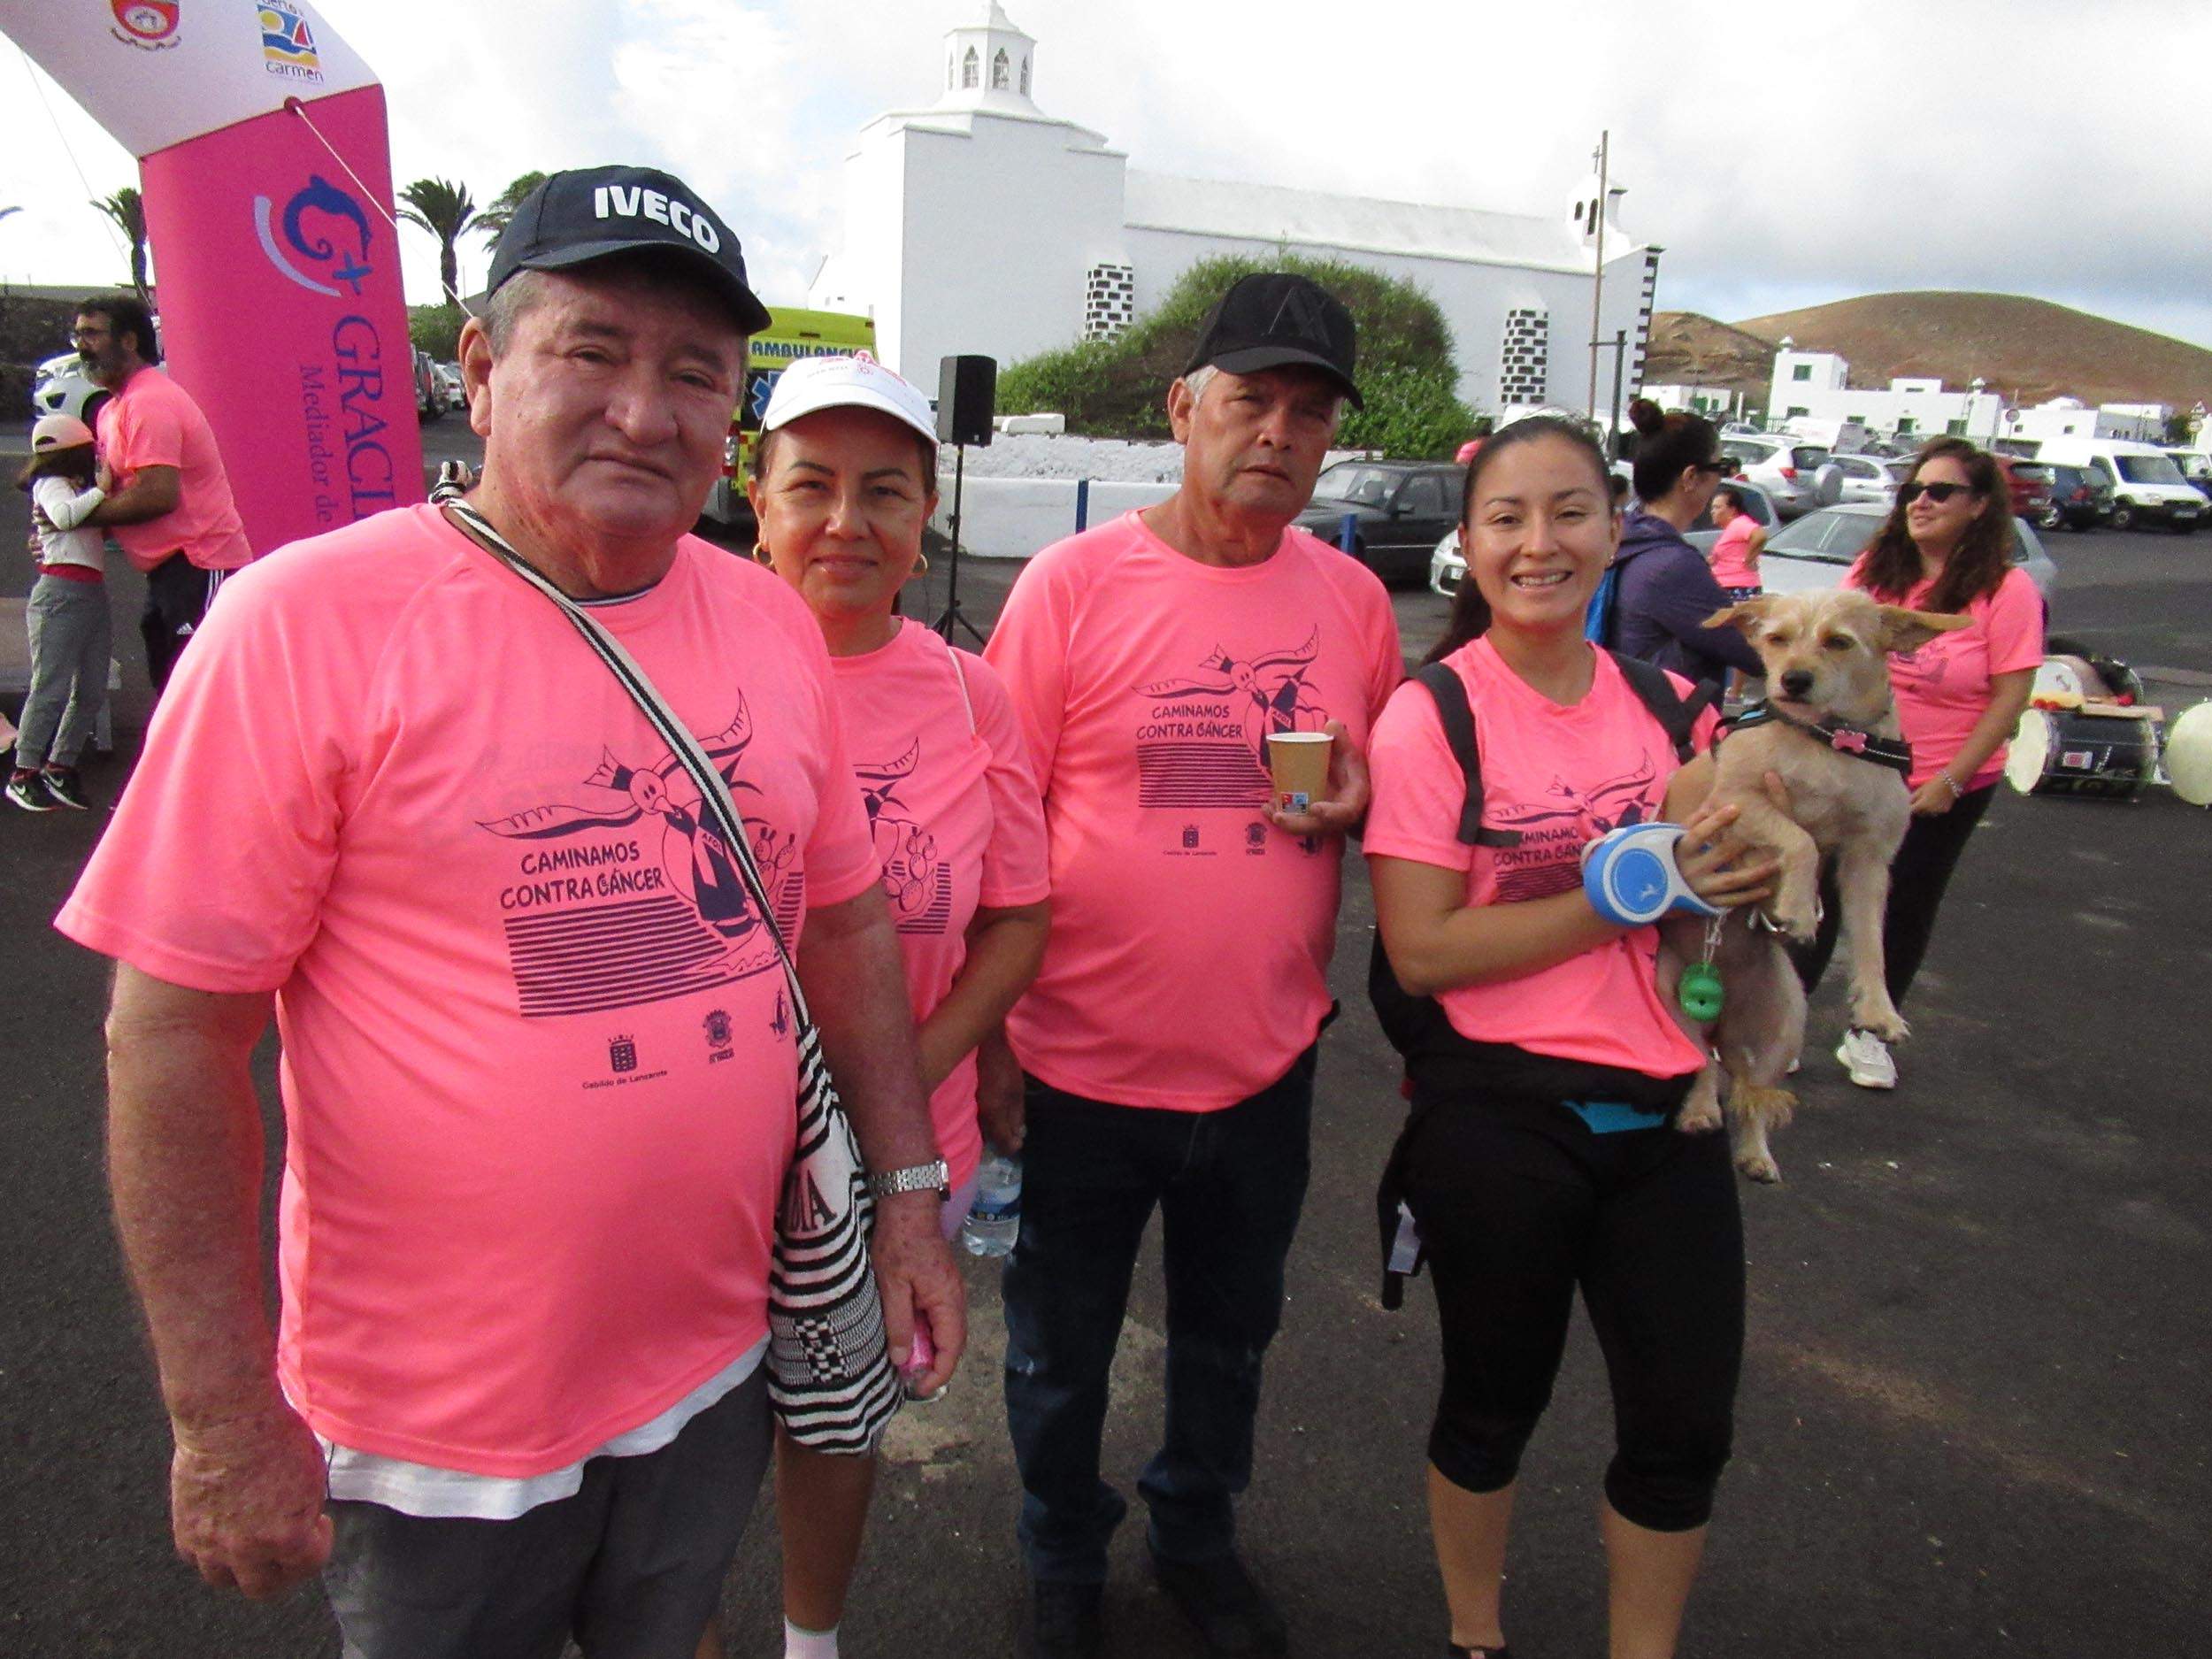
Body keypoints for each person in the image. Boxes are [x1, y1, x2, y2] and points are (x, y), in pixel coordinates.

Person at [54, 165, 964, 1659]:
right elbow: (169, 1039)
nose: (645, 411)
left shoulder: (766, 617)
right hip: (437, 1436)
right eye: (592, 350)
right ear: (480, 369)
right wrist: (218, 1413)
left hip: (713, 1360)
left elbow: (848, 924)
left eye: (694, 373)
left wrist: (912, 1196)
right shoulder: (303, 623)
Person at [982, 271, 1402, 1659]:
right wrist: (988, 1041)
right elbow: (999, 819)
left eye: (1308, 411)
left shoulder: (1354, 601)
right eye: (1250, 399)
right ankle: (1061, 1548)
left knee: (1231, 1338)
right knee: (1059, 1351)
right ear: (1183, 408)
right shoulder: (1071, 585)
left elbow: (1384, 787)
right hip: (1077, 1064)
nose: (1278, 431)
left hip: (1263, 1062)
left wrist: (1361, 802)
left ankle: (1196, 1530)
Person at [1363, 414, 1777, 1659]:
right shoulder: (1432, 716)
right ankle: (1474, 1634)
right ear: (1469, 540)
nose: (1538, 543)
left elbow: (1737, 882)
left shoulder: (1677, 708)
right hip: (1502, 1114)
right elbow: (1424, 950)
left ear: (1613, 529)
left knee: (1684, 1430)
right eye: (1507, 517)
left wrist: (1754, 873)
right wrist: (1622, 898)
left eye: (1568, 512)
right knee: (1493, 1405)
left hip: (1668, 1109)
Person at [733, 353, 1050, 1659]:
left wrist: (897, 1080)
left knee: (837, 1415)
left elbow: (1017, 916)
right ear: (756, 501)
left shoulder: (972, 694)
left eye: (885, 492)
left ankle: (811, 1641)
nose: (845, 522)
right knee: (674, 1437)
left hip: (905, 1148)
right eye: (810, 485)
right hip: (702, 1144)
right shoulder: (683, 660)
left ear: (926, 520)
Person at [1793, 437, 2041, 1091]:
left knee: (1902, 904)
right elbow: (1824, 662)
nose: (1920, 502)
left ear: (1980, 505)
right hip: (1853, 769)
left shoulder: (2006, 590)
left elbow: (2010, 696)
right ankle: (1783, 1023)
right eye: (1912, 490)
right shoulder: (1875, 573)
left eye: (1940, 491)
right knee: (1814, 897)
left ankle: (1870, 1031)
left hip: (1941, 778)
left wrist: (1951, 781)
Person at [66, 292, 252, 691]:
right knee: (171, 685)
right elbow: (112, 495)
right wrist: (59, 533)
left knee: (200, 689)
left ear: (129, 340)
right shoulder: (112, 409)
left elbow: (157, 495)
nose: (82, 345)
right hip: (169, 572)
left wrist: (74, 519)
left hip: (201, 562)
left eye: (93, 334)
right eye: (77, 335)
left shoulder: (150, 402)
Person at [1606, 399, 1763, 692]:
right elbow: (1755, 652)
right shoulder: (1672, 566)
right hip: (1659, 715)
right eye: (1720, 467)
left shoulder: (1624, 539)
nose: (1721, 480)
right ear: (1690, 477)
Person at [10, 413, 111, 811]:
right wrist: (102, 489)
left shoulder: (74, 488)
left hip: (90, 592)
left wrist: (96, 493)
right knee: (50, 688)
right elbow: (65, 516)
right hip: (60, 593)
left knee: (91, 687)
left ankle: (60, 764)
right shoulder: (50, 484)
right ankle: (23, 772)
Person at [1706, 483, 1765, 603]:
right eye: (1712, 508)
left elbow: (1760, 535)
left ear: (1732, 510)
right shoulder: (1731, 528)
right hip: (1728, 586)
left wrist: (1748, 559)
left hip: (1738, 588)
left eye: (1717, 507)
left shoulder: (1739, 523)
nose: (1713, 512)